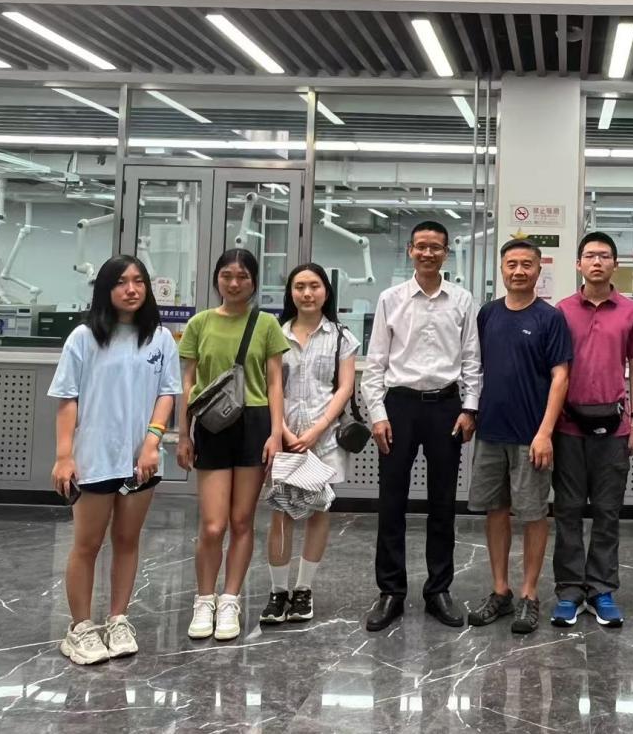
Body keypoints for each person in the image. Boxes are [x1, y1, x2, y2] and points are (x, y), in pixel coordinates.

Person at [49, 255, 181, 664]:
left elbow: (167, 394)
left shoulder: (160, 338)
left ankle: (119, 619)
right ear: (106, 289)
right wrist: (64, 456)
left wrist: (152, 442)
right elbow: (67, 399)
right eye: (121, 281)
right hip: (93, 459)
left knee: (127, 540)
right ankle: (80, 628)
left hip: (140, 461)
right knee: (87, 544)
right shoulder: (83, 338)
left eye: (139, 281)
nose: (131, 289)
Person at [361, 221, 481, 632]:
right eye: (421, 246)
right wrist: (378, 414)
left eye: (436, 247)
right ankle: (391, 592)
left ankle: (438, 590)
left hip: (446, 407)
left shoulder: (462, 299)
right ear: (410, 250)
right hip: (399, 406)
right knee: (391, 502)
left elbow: (472, 359)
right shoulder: (391, 298)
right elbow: (375, 363)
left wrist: (469, 408)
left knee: (443, 503)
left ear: (446, 253)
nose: (428, 253)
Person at [177, 248, 290, 642]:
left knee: (242, 521)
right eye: (227, 275)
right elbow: (188, 382)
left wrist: (275, 433)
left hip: (254, 422)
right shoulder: (199, 323)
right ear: (217, 279)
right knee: (212, 525)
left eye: (243, 276)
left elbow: (275, 382)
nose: (234, 283)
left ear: (254, 281)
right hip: (212, 424)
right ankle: (204, 599)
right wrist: (183, 433)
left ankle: (230, 599)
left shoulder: (267, 324)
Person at [467, 239, 571, 635]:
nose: (519, 271)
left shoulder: (550, 318)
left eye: (527, 264)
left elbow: (561, 377)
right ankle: (501, 590)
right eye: (512, 264)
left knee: (533, 514)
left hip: (531, 436)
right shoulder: (488, 314)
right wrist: (470, 412)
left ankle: (529, 594)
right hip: (491, 432)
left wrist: (545, 432)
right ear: (502, 268)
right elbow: (475, 368)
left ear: (538, 270)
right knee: (495, 511)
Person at [550, 231, 633, 629]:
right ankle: (570, 591)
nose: (597, 262)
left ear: (615, 264)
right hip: (568, 427)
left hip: (615, 427)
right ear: (578, 264)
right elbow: (555, 371)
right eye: (589, 256)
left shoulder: (630, 312)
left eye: (604, 256)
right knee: (568, 510)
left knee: (607, 512)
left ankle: (602, 590)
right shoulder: (561, 311)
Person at [259, 263, 357, 626]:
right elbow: (268, 386)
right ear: (290, 293)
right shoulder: (275, 333)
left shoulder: (341, 336)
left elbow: (344, 388)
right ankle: (278, 592)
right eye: (299, 286)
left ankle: (303, 589)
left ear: (326, 291)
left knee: (318, 512)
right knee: (281, 512)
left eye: (314, 286)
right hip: (282, 437)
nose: (307, 293)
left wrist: (317, 430)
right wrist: (283, 431)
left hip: (325, 439)